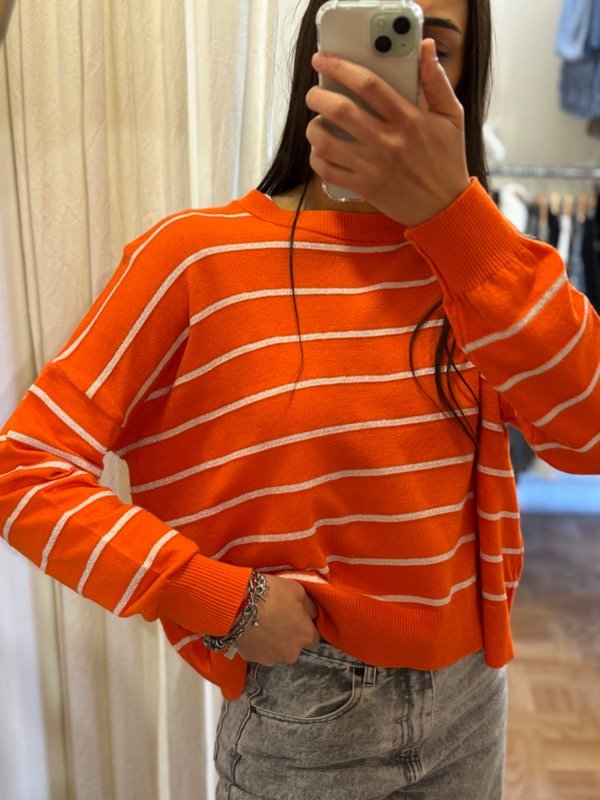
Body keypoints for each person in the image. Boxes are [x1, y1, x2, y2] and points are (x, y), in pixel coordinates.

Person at [0, 0, 598, 797]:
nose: (394, 73)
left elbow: (589, 436)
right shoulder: (195, 261)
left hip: (472, 695)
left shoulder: (485, 270)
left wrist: (460, 220)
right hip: (304, 713)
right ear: (318, 51)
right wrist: (222, 600)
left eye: (434, 49)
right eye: (379, 41)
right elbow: (24, 472)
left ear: (466, 78)